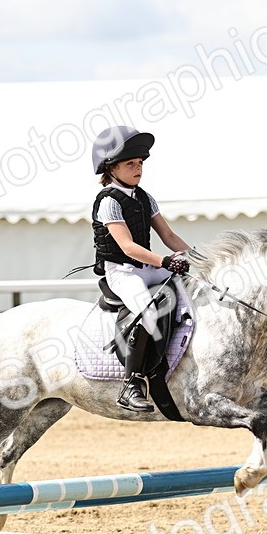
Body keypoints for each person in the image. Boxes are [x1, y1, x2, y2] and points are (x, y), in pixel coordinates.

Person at [90, 126, 192, 413]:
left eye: (140, 163)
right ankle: (131, 383)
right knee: (147, 311)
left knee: (194, 289)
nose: (138, 169)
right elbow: (127, 246)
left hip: (148, 267)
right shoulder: (108, 201)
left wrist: (200, 258)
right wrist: (166, 261)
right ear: (111, 168)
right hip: (123, 272)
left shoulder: (145, 197)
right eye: (130, 164)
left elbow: (169, 237)